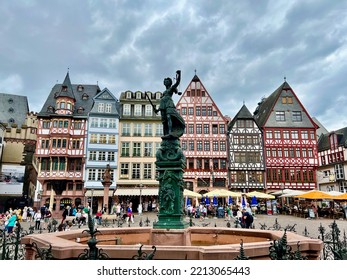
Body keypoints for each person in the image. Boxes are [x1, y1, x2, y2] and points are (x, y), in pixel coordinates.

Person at [154, 70, 185, 138]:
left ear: (169, 83)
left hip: (169, 105)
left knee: (169, 117)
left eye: (167, 81)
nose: (165, 82)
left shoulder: (171, 88)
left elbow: (177, 82)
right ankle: (166, 133)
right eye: (165, 82)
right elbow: (162, 102)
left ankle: (171, 132)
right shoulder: (164, 92)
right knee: (164, 121)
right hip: (163, 106)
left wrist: (179, 74)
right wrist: (157, 110)